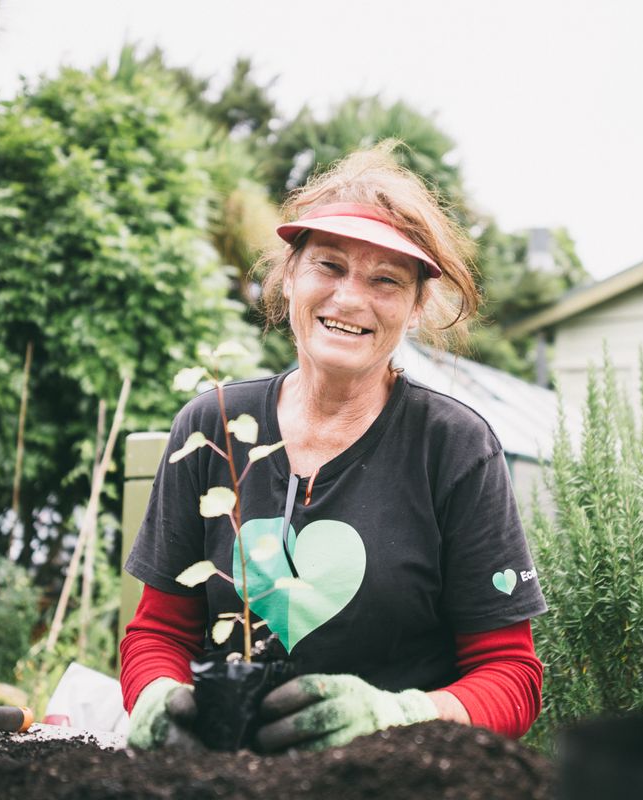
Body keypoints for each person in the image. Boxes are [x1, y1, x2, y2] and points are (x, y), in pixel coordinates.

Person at [120, 146, 547, 752]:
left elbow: (512, 675)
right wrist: (158, 700)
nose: (350, 299)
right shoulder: (212, 426)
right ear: (289, 274)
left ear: (417, 305)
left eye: (386, 281)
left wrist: (398, 719)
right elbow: (157, 634)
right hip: (227, 775)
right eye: (329, 266)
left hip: (391, 783)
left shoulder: (453, 447)